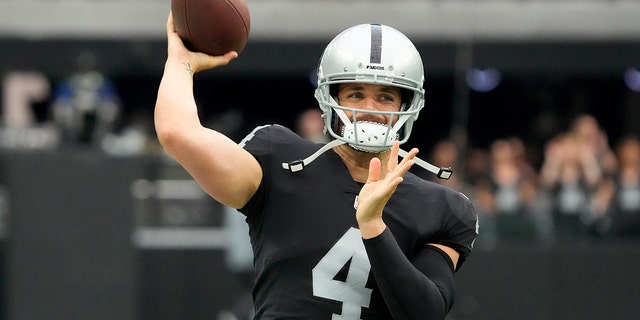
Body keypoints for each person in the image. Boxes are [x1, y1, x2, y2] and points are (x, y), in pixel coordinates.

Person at [155, 12, 478, 320]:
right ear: (330, 101)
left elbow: (425, 313)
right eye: (355, 93)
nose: (369, 109)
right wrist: (181, 62)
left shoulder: (441, 207)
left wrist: (373, 227)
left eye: (385, 97)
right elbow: (177, 133)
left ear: (407, 106)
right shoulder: (280, 160)